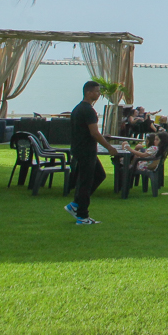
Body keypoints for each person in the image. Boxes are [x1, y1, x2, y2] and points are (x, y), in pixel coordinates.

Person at [66, 81, 125, 226]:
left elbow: (85, 130)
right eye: (97, 92)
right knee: (85, 182)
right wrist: (109, 147)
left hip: (80, 149)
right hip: (86, 150)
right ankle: (82, 216)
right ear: (88, 92)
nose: (99, 94)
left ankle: (75, 204)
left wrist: (103, 137)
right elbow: (94, 133)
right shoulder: (88, 110)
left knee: (99, 175)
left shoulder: (77, 109)